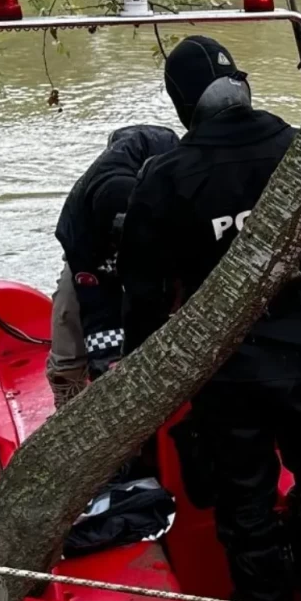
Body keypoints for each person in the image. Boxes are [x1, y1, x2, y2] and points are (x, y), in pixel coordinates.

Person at [118, 35, 301, 601]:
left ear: (183, 106)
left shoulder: (166, 177)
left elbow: (145, 296)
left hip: (229, 383)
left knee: (246, 510)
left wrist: (139, 380)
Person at [47, 125, 180, 409]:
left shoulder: (173, 187)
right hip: (91, 250)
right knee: (68, 310)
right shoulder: (82, 218)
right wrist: (105, 364)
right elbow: (95, 300)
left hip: (155, 243)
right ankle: (67, 388)